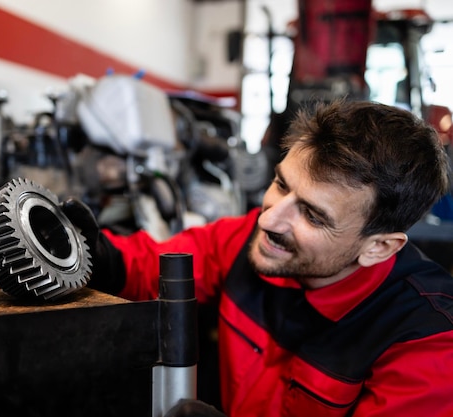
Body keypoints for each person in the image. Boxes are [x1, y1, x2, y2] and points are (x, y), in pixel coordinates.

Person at [62, 100, 453, 416]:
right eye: (281, 184)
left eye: (313, 215)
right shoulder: (250, 239)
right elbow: (152, 267)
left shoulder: (428, 343)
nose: (269, 218)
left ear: (378, 247)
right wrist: (94, 256)